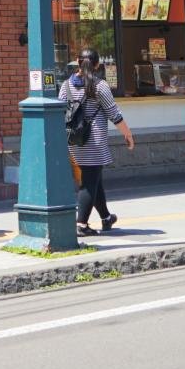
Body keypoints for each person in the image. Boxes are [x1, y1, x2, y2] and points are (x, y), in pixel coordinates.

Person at [60, 48, 134, 234]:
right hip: (94, 139)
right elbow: (114, 114)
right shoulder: (100, 86)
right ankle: (81, 224)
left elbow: (60, 111)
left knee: (94, 178)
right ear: (97, 64)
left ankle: (106, 218)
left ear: (77, 62)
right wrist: (128, 134)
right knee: (88, 182)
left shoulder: (66, 85)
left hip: (74, 139)